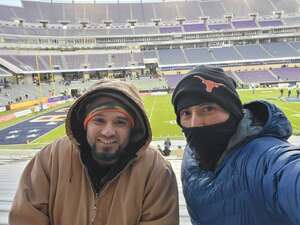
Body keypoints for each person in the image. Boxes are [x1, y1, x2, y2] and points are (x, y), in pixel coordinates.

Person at [10, 80, 179, 225]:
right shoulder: (51, 158)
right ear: (85, 124)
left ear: (132, 129)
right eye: (99, 120)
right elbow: (25, 218)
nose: (108, 131)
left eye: (120, 122)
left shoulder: (156, 171)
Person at [171, 65, 300, 225]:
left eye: (208, 109)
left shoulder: (265, 158)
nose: (195, 123)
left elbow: (287, 172)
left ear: (233, 112)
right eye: (186, 113)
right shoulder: (191, 154)